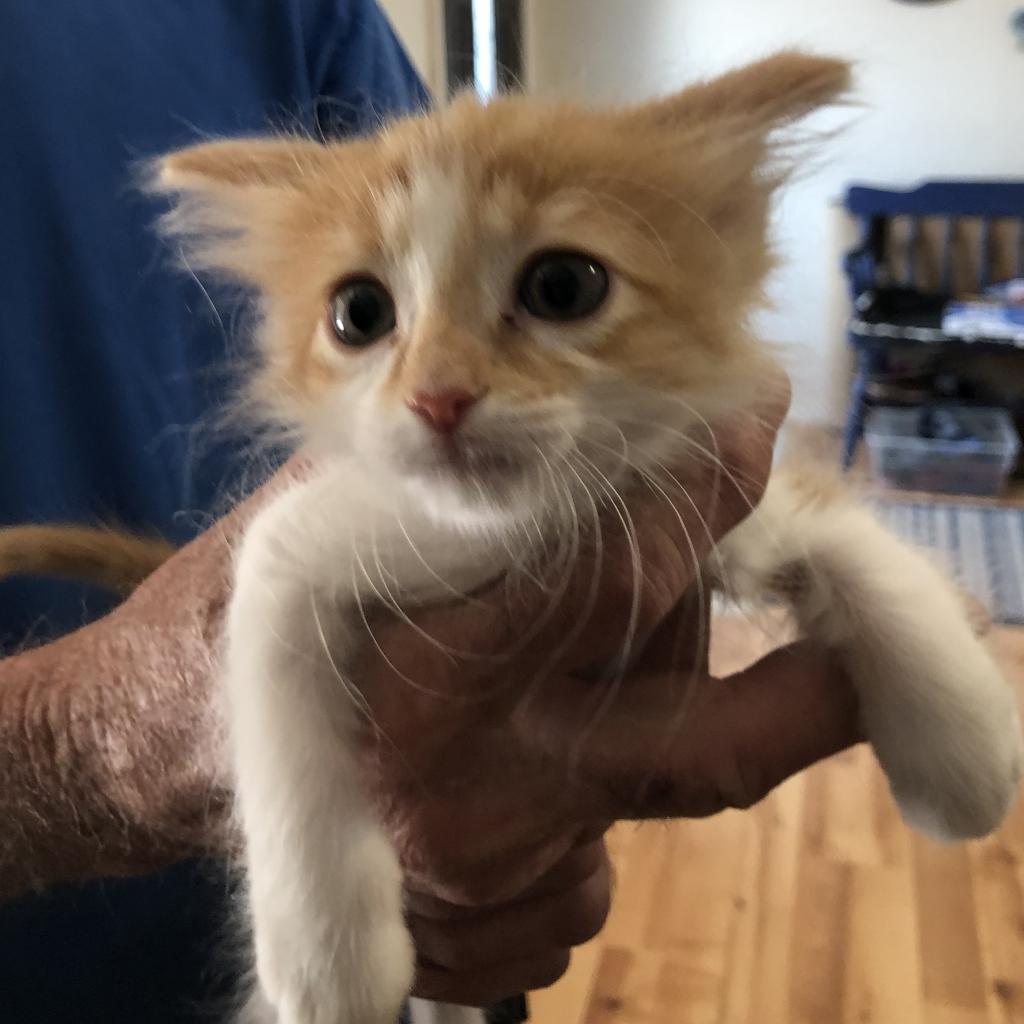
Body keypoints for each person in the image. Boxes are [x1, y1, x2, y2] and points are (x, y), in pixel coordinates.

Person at [0, 1, 861, 1022]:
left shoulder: (299, 16)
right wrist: (80, 742)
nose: (438, 384)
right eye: (364, 316)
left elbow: (445, 196)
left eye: (557, 286)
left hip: (448, 931)